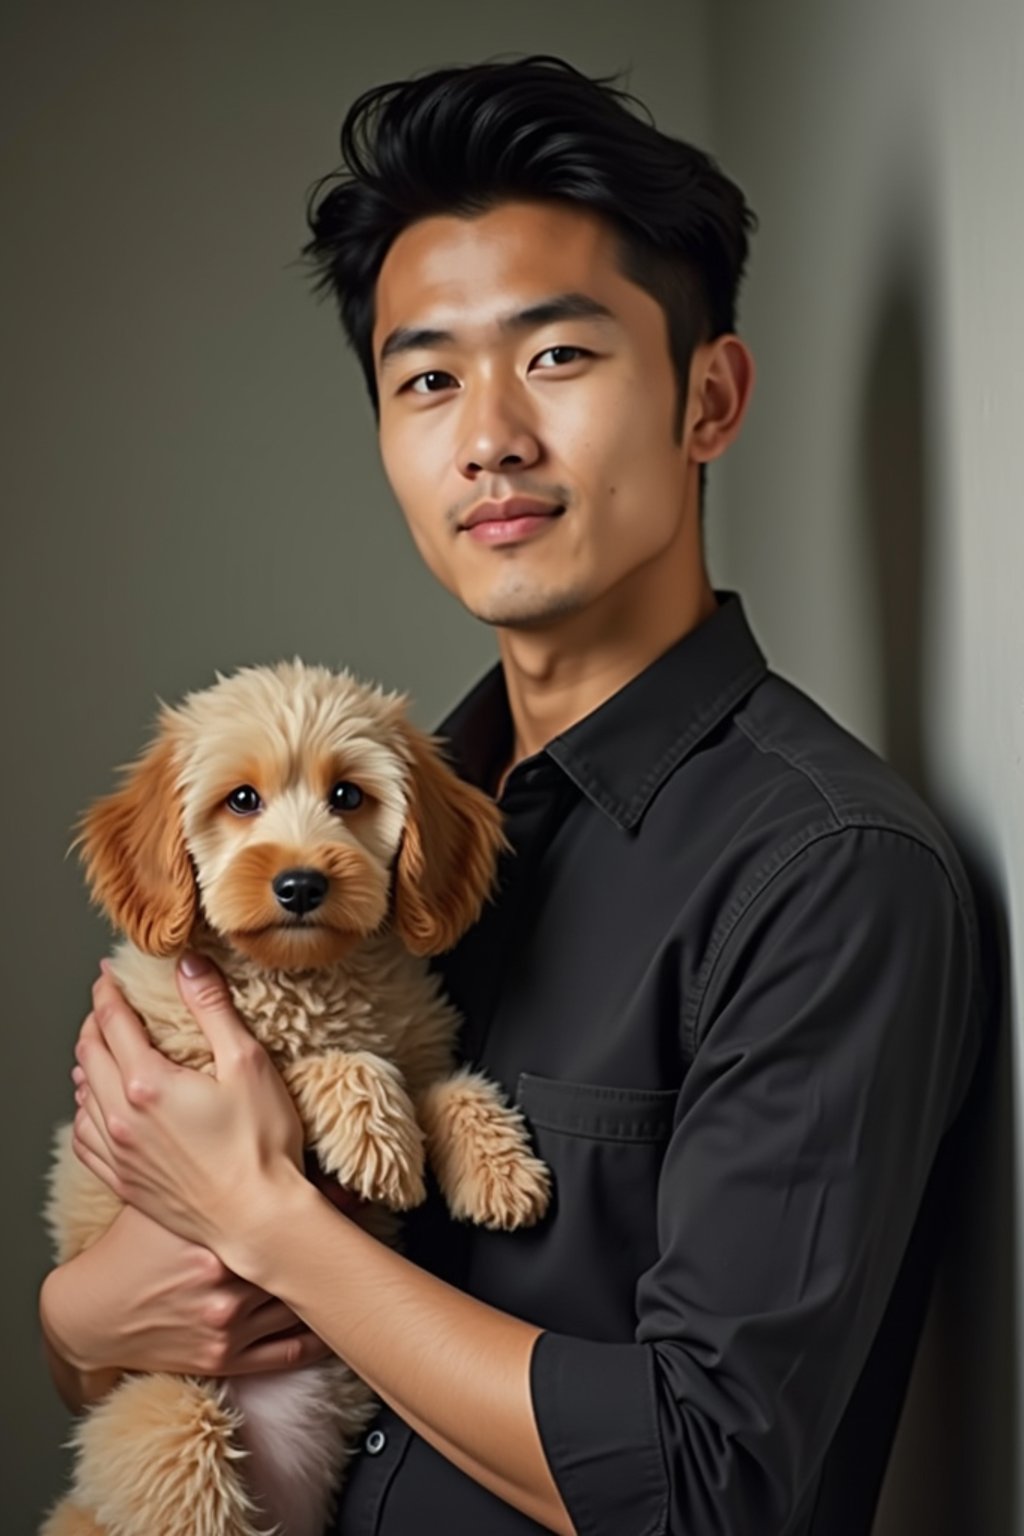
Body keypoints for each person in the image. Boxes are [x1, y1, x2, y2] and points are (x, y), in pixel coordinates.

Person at [41, 54, 989, 1536]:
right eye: (427, 377)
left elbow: (709, 1484)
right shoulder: (401, 817)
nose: (488, 434)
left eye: (557, 356)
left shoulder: (827, 873)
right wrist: (86, 1316)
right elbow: (112, 1358)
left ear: (709, 397)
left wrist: (268, 1227)